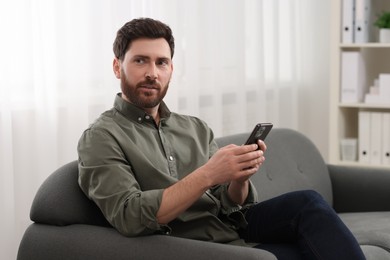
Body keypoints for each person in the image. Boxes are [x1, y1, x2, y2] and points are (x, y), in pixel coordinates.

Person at [77, 17, 365, 259]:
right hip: (190, 242)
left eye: (161, 63)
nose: (152, 73)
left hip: (230, 227)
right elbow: (129, 216)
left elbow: (230, 205)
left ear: (171, 70)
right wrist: (208, 174)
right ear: (118, 67)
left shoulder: (194, 128)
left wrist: (238, 178)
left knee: (308, 204)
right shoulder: (102, 137)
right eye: (141, 61)